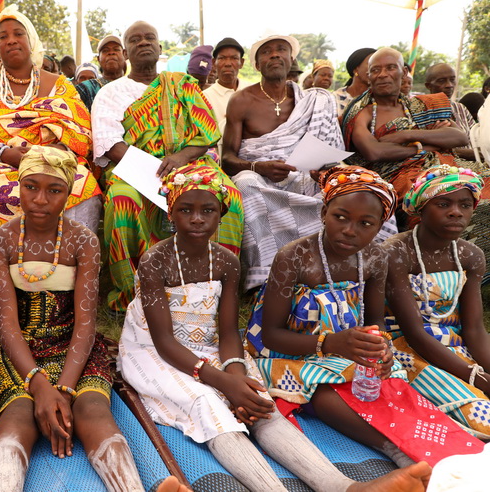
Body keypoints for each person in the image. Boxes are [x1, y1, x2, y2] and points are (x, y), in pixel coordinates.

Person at [119, 163, 432, 492]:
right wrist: (222, 381)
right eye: (186, 210)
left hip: (210, 346)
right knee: (206, 402)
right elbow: (164, 341)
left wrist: (237, 375)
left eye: (208, 210)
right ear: (171, 213)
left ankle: (343, 487)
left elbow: (227, 332)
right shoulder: (156, 261)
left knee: (258, 402)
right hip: (154, 350)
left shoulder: (226, 262)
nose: (197, 219)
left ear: (222, 214)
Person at [247, 165, 479, 468]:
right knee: (325, 389)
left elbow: (375, 323)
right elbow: (271, 335)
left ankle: (447, 445)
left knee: (390, 383)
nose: (350, 230)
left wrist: (381, 347)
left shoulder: (374, 259)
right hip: (290, 350)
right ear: (323, 211)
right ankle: (394, 449)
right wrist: (329, 344)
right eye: (340, 217)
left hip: (346, 347)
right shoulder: (294, 258)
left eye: (366, 223)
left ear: (380, 225)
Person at [0, 146, 147, 492]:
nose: (40, 199)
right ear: (18, 187)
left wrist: (66, 389)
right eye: (31, 187)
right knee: (16, 417)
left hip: (74, 348)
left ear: (69, 194)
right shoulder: (0, 241)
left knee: (94, 412)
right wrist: (40, 387)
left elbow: (86, 325)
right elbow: (8, 325)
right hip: (19, 352)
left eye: (54, 190)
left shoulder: (82, 241)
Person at [91, 20, 243, 314]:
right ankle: (136, 294)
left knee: (227, 195)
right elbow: (109, 143)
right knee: (123, 201)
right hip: (134, 167)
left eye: (150, 38)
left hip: (190, 162)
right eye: (135, 39)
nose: (143, 42)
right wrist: (151, 169)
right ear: (125, 52)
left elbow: (207, 133)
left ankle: (212, 289)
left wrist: (180, 160)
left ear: (160, 48)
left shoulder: (181, 84)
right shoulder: (111, 92)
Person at [0, 6, 102, 269]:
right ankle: (2, 274)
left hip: (53, 159)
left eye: (18, 33)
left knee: (82, 182)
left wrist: (47, 154)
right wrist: (5, 153)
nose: (10, 39)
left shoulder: (58, 83)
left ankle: (72, 268)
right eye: (2, 36)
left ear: (31, 40)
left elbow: (78, 129)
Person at [222, 34, 357, 290]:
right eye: (266, 52)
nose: (274, 54)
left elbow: (327, 152)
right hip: (255, 174)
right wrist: (257, 167)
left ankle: (318, 269)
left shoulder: (311, 101)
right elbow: (227, 159)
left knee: (339, 188)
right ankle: (265, 278)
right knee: (247, 186)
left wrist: (322, 169)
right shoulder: (241, 100)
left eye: (281, 50)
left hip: (300, 173)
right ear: (257, 65)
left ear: (291, 59)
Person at [384, 165, 490, 437]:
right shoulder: (396, 252)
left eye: (465, 205)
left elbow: (475, 329)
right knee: (480, 412)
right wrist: (474, 376)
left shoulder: (470, 256)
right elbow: (414, 332)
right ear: (421, 208)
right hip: (407, 350)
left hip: (456, 345)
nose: (456, 212)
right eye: (443, 204)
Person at [342, 48, 472, 200]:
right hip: (400, 184)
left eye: (390, 67)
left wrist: (406, 135)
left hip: (447, 170)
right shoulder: (362, 112)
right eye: (375, 70)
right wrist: (426, 147)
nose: (383, 74)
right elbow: (375, 152)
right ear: (369, 76)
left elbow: (460, 137)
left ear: (403, 72)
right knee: (445, 197)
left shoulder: (420, 105)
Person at [202, 37, 253, 154]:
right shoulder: (204, 98)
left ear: (242, 63)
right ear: (214, 63)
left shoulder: (253, 91)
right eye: (222, 58)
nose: (228, 64)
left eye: (234, 58)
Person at [424, 63, 476, 159]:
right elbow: (427, 150)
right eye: (441, 81)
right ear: (428, 86)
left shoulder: (461, 108)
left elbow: (476, 139)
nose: (449, 85)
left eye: (452, 80)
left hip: (475, 168)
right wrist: (470, 154)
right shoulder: (422, 113)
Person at [74, 34, 127, 113]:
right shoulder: (85, 88)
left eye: (116, 49)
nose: (111, 53)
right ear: (98, 59)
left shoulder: (136, 86)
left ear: (125, 55)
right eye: (105, 51)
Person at [333, 48, 375, 117]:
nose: (375, 68)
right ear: (356, 69)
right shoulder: (334, 99)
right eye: (370, 64)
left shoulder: (380, 100)